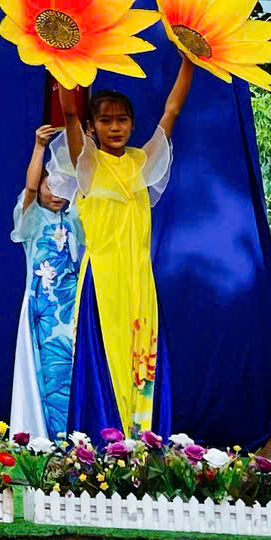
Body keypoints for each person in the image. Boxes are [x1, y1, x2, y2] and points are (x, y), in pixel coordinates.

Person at [62, 58, 194, 438]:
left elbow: (172, 111)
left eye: (122, 119)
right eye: (105, 120)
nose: (115, 127)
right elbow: (69, 113)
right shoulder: (87, 164)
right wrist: (60, 59)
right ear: (92, 127)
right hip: (102, 283)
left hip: (139, 281)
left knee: (142, 358)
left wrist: (188, 60)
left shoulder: (142, 163)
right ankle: (100, 444)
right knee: (102, 358)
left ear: (133, 124)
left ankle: (143, 443)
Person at [10, 124, 83, 439]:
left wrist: (86, 147)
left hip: (72, 312)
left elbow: (87, 184)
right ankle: (41, 436)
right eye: (49, 185)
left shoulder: (76, 219)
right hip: (40, 311)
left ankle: (71, 437)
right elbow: (28, 190)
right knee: (43, 372)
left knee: (69, 370)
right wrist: (39, 147)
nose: (55, 193)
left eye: (62, 186)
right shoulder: (32, 219)